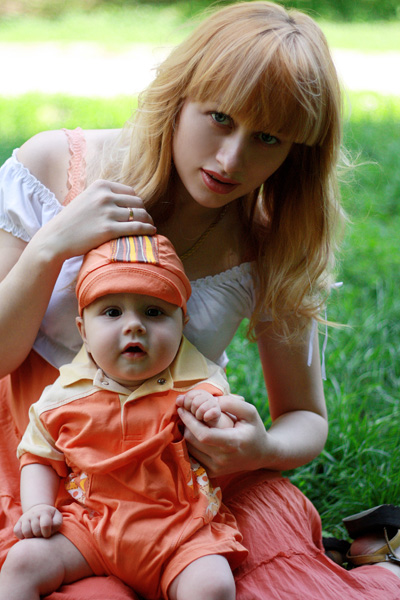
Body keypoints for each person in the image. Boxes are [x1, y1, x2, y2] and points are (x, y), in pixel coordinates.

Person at [0, 1, 399, 598]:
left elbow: (306, 417)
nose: (231, 159)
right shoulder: (56, 165)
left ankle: (382, 565)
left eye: (267, 138)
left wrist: (260, 448)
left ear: (295, 151)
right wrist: (49, 248)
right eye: (219, 118)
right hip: (35, 463)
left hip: (176, 486)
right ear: (178, 95)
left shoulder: (269, 244)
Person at [0, 233, 247, 600]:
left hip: (180, 529)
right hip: (91, 524)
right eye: (113, 312)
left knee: (213, 585)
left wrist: (214, 417)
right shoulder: (64, 395)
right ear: (83, 330)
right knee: (22, 563)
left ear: (182, 323)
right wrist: (37, 507)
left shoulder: (199, 384)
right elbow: (38, 456)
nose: (134, 325)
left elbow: (227, 440)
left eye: (154, 312)